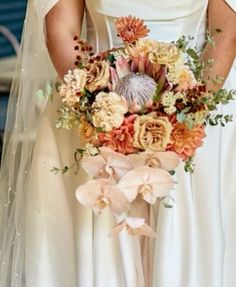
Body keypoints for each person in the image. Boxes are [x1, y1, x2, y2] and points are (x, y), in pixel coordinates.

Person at [0, 0, 235, 286]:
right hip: (93, 111)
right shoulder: (96, 109)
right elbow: (61, 28)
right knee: (99, 238)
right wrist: (101, 113)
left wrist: (184, 117)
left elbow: (227, 30)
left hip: (198, 108)